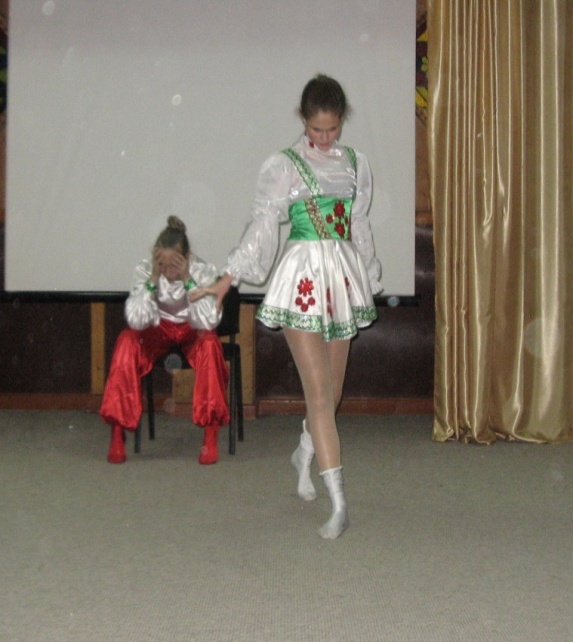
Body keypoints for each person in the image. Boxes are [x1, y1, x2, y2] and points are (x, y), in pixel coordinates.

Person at [192, 74, 383, 538]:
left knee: (332, 394)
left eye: (333, 128)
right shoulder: (285, 165)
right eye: (317, 128)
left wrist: (369, 274)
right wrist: (227, 278)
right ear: (303, 119)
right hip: (303, 280)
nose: (325, 137)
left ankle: (304, 452)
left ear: (342, 121)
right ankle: (338, 503)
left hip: (341, 281)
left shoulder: (356, 165)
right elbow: (262, 227)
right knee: (318, 395)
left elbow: (358, 224)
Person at [100, 215, 230, 465]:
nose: (168, 271)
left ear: (186, 257)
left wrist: (187, 279)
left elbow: (208, 321)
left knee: (210, 344)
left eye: (175, 264)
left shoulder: (203, 271)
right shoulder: (146, 270)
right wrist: (152, 279)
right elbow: (136, 320)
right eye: (163, 264)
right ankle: (117, 431)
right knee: (127, 341)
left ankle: (210, 434)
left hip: (192, 329)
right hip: (158, 328)